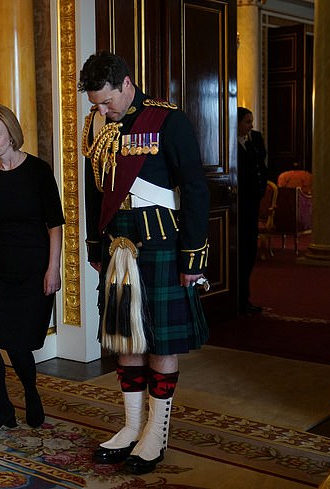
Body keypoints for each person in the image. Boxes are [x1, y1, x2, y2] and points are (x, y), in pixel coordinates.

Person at [78, 51, 210, 475]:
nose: (102, 110)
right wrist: (96, 246)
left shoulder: (167, 120)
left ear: (127, 84)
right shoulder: (96, 125)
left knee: (160, 342)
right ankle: (132, 426)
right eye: (95, 104)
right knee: (125, 338)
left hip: (161, 245)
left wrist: (193, 255)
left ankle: (156, 432)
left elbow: (193, 187)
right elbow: (95, 192)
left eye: (107, 101)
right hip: (118, 245)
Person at [0, 104, 65, 439]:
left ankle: (30, 391)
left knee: (18, 344)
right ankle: (2, 408)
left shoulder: (38, 171)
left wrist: (53, 269)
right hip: (1, 268)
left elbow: (55, 225)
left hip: (35, 267)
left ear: (11, 133)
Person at [237, 107, 267, 316]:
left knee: (250, 251)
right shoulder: (228, 141)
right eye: (247, 122)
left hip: (253, 202)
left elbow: (261, 166)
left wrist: (261, 189)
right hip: (237, 205)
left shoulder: (255, 139)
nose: (251, 126)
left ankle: (245, 298)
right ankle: (237, 300)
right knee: (238, 252)